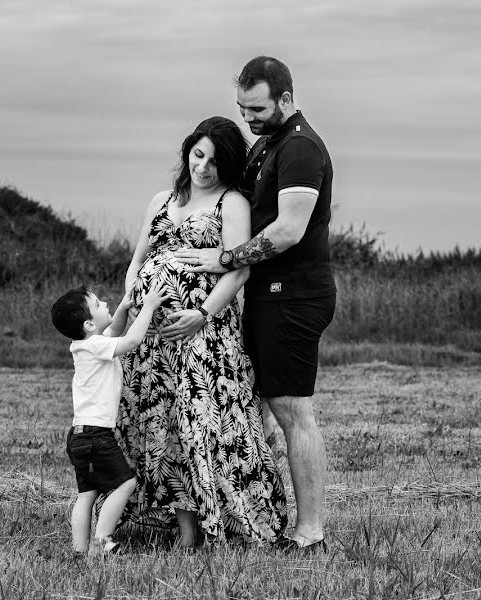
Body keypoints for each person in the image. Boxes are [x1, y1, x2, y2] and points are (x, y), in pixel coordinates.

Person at [175, 56, 336, 552]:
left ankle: (310, 533)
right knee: (261, 411)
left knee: (292, 411)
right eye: (242, 108)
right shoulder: (270, 142)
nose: (249, 118)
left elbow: (288, 230)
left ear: (285, 99)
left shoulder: (302, 148)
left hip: (295, 297)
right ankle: (252, 514)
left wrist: (224, 258)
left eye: (258, 108)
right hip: (268, 297)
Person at [118, 116, 288, 549]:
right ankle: (187, 529)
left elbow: (239, 270)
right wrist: (133, 302)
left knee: (205, 429)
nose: (204, 167)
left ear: (228, 166)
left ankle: (228, 519)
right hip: (153, 344)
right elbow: (138, 261)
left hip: (204, 340)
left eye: (214, 161)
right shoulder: (161, 200)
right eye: (198, 154)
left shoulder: (231, 203)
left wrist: (201, 313)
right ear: (188, 151)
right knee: (164, 428)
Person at [50, 281, 168, 555]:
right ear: (89, 325)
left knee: (86, 494)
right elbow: (130, 341)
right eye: (98, 304)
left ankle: (79, 549)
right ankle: (102, 539)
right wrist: (149, 306)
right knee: (126, 482)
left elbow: (113, 331)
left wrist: (123, 309)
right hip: (96, 436)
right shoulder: (96, 347)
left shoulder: (83, 346)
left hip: (78, 436)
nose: (105, 304)